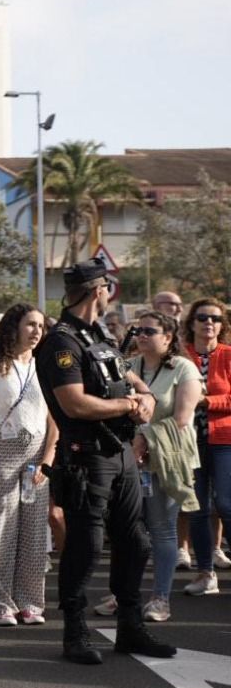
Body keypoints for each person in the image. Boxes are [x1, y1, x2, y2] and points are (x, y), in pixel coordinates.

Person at [36, 258, 175, 664]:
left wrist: (145, 399)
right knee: (85, 545)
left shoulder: (100, 335)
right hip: (86, 457)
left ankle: (131, 628)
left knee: (135, 540)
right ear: (100, 290)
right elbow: (73, 403)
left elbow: (132, 379)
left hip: (120, 453)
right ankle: (75, 632)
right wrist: (125, 404)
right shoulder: (62, 341)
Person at [0, 304, 58, 626]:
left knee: (35, 533)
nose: (36, 331)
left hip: (37, 457)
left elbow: (55, 419)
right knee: (0, 531)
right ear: (14, 328)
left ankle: (30, 602)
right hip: (0, 457)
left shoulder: (46, 367)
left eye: (41, 326)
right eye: (30, 325)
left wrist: (48, 458)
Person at [121, 310, 200, 623]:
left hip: (166, 459)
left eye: (150, 331)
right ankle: (123, 594)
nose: (142, 335)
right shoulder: (129, 367)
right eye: (138, 330)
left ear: (168, 338)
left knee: (162, 530)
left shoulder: (184, 368)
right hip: (131, 460)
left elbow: (181, 420)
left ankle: (160, 599)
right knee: (128, 530)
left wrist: (145, 439)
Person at [183, 297, 231, 594]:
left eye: (215, 318)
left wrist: (205, 401)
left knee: (226, 504)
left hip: (225, 439)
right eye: (202, 317)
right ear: (192, 323)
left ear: (222, 325)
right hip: (190, 442)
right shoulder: (179, 356)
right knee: (197, 509)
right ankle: (205, 574)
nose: (209, 322)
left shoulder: (228, 355)